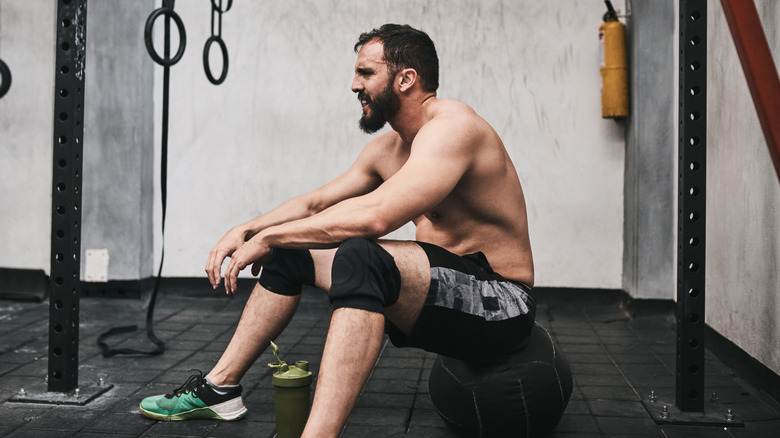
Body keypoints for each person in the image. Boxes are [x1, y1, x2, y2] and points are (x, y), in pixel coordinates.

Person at [139, 23, 536, 436]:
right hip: (439, 297)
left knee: (360, 255)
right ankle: (219, 388)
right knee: (295, 252)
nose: (353, 85)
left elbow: (375, 217)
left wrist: (270, 236)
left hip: (502, 302)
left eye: (366, 73)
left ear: (405, 79)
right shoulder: (389, 149)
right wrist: (247, 229)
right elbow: (313, 204)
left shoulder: (455, 128)